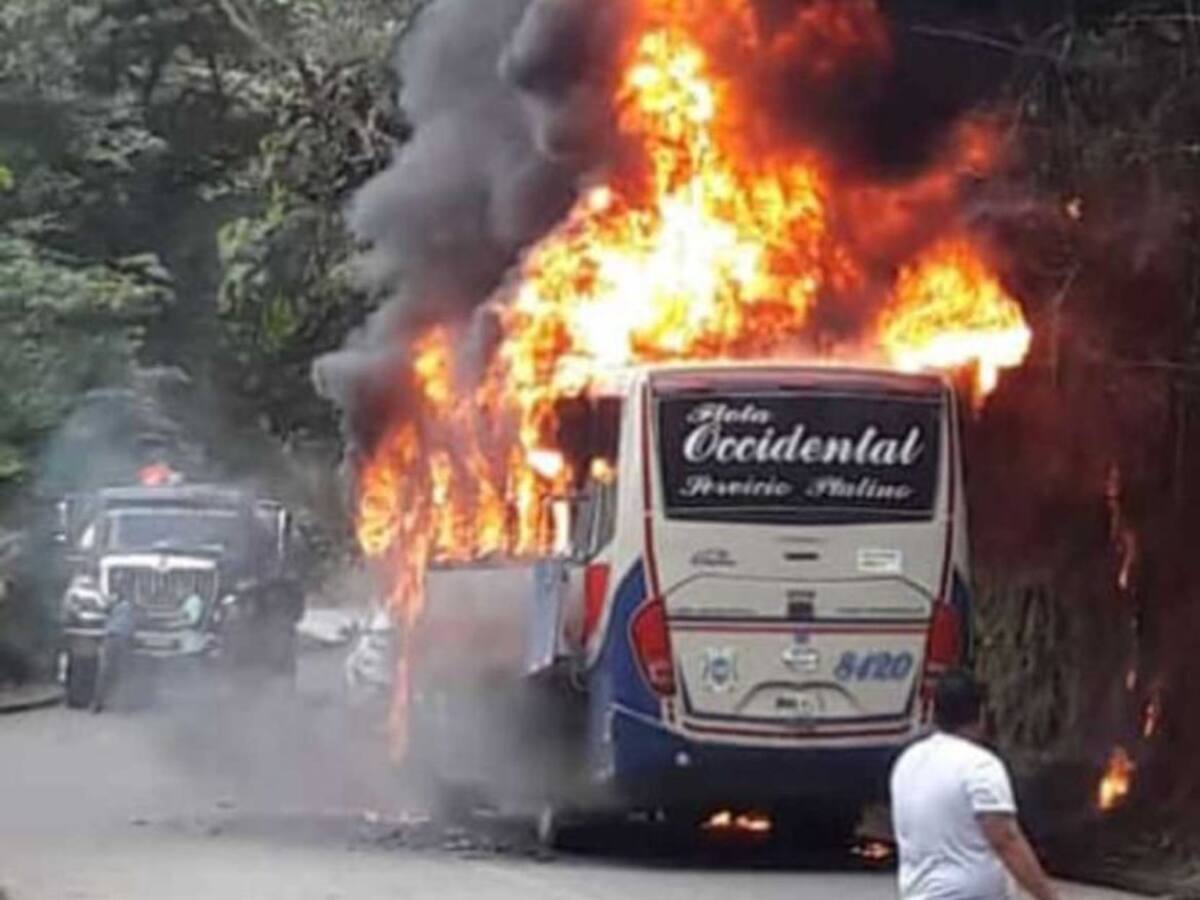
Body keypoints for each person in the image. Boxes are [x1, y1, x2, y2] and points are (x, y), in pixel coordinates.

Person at [890, 670, 1060, 900]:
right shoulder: (979, 765)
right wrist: (1048, 896)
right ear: (981, 714)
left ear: (933, 712)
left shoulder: (908, 762)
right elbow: (1005, 839)